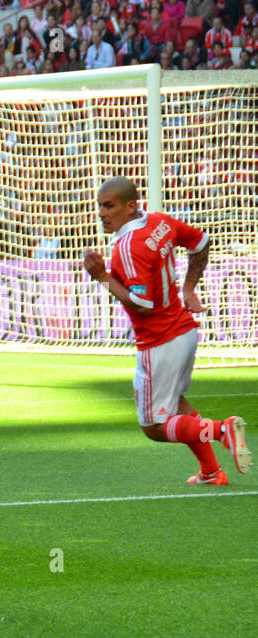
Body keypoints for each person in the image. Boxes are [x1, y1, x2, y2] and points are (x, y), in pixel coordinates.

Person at [82, 177, 249, 484]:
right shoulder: (161, 222)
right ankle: (212, 472)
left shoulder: (128, 247)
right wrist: (188, 288)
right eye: (100, 206)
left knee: (154, 426)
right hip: (184, 332)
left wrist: (102, 276)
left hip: (159, 341)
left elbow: (142, 305)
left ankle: (221, 429)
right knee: (177, 405)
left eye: (109, 206)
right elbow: (200, 242)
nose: (102, 213)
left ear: (130, 206)